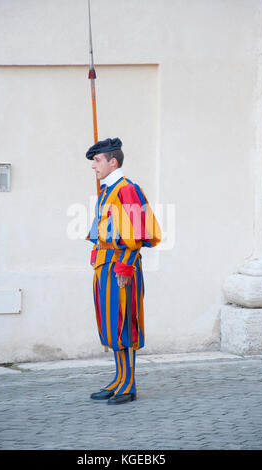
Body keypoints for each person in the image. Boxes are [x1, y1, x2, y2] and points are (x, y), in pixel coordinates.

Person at [85, 137, 161, 404]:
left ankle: (129, 384)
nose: (94, 166)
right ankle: (119, 379)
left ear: (112, 161)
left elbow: (139, 233)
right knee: (110, 323)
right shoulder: (107, 189)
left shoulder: (127, 189)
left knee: (123, 323)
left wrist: (125, 266)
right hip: (104, 265)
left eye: (97, 160)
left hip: (120, 266)